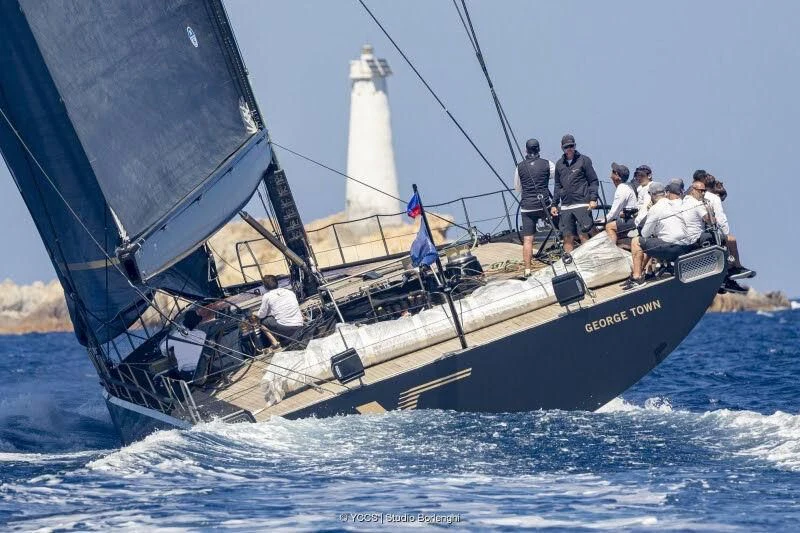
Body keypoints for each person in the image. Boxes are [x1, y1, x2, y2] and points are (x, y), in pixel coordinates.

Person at [623, 182, 691, 290]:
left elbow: (645, 234)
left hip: (670, 248)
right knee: (652, 242)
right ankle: (647, 271)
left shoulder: (655, 208)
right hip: (685, 247)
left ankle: (637, 278)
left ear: (652, 195)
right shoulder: (677, 203)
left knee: (636, 241)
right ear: (665, 193)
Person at [693, 170, 754, 281]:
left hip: (691, 236)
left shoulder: (689, 196)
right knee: (731, 240)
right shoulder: (713, 198)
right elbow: (722, 222)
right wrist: (727, 235)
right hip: (703, 236)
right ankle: (736, 267)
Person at [514, 138, 555, 276]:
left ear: (526, 150)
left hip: (527, 207)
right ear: (539, 149)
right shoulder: (547, 164)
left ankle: (527, 270)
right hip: (544, 205)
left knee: (528, 239)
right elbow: (558, 176)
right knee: (560, 227)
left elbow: (518, 188)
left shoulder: (519, 167)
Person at [551, 134, 599, 252]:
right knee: (567, 236)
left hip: (582, 203)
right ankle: (570, 263)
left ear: (575, 146)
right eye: (567, 147)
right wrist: (554, 204)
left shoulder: (584, 160)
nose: (569, 149)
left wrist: (593, 198)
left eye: (571, 146)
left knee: (584, 233)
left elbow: (593, 181)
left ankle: (590, 258)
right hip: (566, 205)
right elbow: (557, 185)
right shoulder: (559, 164)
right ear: (562, 148)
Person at [254, 275, 304, 344]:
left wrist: (254, 313)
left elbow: (261, 315)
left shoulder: (267, 296)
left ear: (265, 286)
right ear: (277, 283)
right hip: (299, 324)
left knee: (263, 321)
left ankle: (275, 343)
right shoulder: (290, 292)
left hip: (287, 328)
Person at [161, 309, 207, 379]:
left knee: (169, 374)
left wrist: (169, 354)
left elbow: (162, 348)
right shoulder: (202, 334)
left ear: (184, 322)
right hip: (202, 371)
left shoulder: (176, 336)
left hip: (186, 374)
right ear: (197, 323)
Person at [604, 163, 638, 244]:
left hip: (630, 220)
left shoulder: (621, 188)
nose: (610, 175)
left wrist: (600, 223)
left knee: (609, 227)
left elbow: (613, 213)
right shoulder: (626, 186)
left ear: (617, 177)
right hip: (628, 218)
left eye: (613, 172)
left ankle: (612, 250)